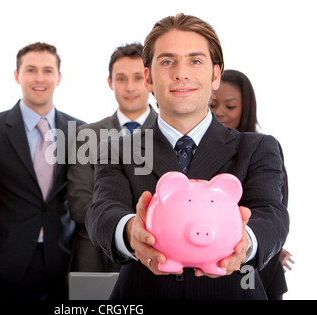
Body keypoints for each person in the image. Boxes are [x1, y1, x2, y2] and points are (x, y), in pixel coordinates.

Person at [85, 13, 289, 299]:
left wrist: (245, 240)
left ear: (215, 75)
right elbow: (102, 211)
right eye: (167, 61)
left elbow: (272, 213)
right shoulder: (118, 150)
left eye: (195, 61)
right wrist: (132, 229)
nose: (181, 73)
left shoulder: (257, 148)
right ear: (148, 78)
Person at [0, 42, 85, 300]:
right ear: (17, 75)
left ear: (59, 77)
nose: (39, 78)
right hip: (6, 263)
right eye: (31, 70)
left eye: (47, 70)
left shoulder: (80, 131)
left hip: (62, 260)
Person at [67, 43, 157, 272]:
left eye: (138, 78)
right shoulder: (87, 135)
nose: (130, 87)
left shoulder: (171, 134)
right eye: (121, 79)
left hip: (156, 252)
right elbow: (79, 203)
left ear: (149, 80)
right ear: (110, 82)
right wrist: (125, 229)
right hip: (97, 255)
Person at [210, 69, 294, 299]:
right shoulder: (198, 150)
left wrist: (265, 243)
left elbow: (273, 209)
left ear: (245, 107)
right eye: (213, 105)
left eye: (230, 106)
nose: (220, 113)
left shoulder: (263, 149)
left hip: (256, 272)